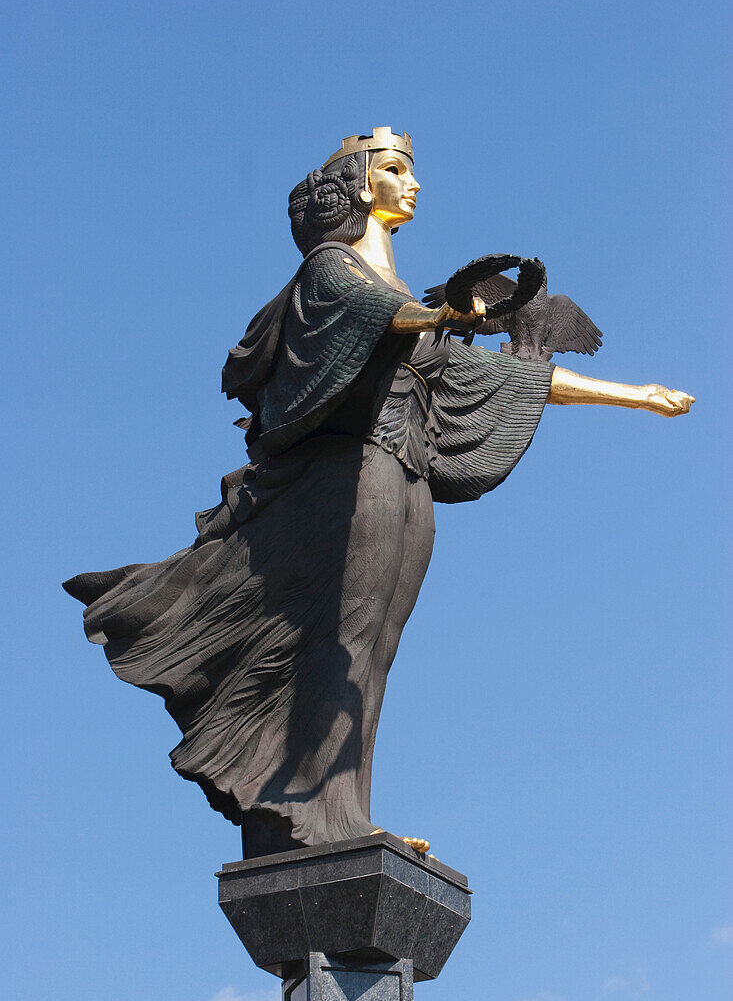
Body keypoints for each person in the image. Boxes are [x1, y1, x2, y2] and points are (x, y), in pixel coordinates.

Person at [64, 128, 694, 858]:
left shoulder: (393, 296)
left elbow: (502, 378)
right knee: (343, 636)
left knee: (375, 647)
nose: (412, 182)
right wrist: (443, 316)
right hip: (349, 473)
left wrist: (634, 395)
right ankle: (316, 816)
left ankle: (337, 808)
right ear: (362, 186)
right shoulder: (329, 271)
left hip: (405, 472)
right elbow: (385, 320)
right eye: (396, 168)